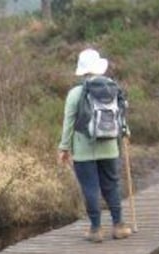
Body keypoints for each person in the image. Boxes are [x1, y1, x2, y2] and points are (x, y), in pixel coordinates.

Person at [58, 48, 132, 243]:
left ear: (83, 70)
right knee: (111, 185)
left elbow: (69, 123)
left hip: (84, 150)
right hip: (110, 147)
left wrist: (64, 148)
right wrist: (125, 133)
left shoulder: (76, 93)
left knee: (91, 188)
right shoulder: (114, 88)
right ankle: (119, 226)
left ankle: (96, 230)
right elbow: (121, 114)